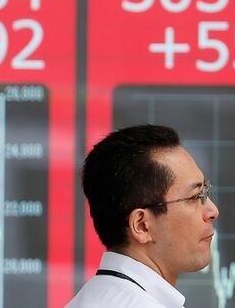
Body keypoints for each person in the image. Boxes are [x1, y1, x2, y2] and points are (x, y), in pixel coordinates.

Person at [66, 124, 219, 308]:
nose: (213, 211)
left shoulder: (88, 299)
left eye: (205, 191)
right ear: (142, 225)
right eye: (195, 197)